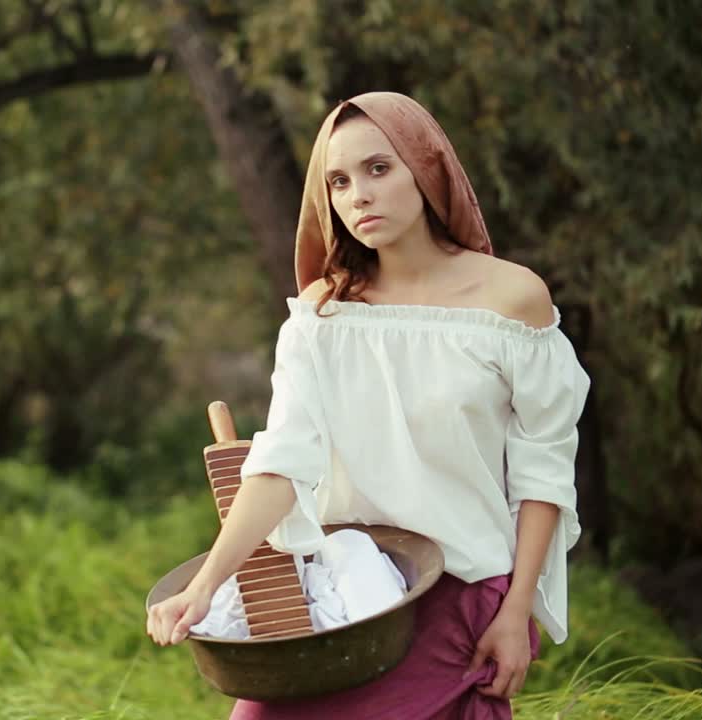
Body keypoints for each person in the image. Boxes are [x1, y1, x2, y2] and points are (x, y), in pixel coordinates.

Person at [145, 92, 590, 719]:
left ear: (426, 168)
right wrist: (207, 582)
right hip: (350, 602)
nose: (359, 194)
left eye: (379, 169)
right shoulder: (321, 316)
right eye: (339, 180)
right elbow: (280, 464)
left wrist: (515, 611)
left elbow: (544, 470)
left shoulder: (512, 301)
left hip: (463, 597)